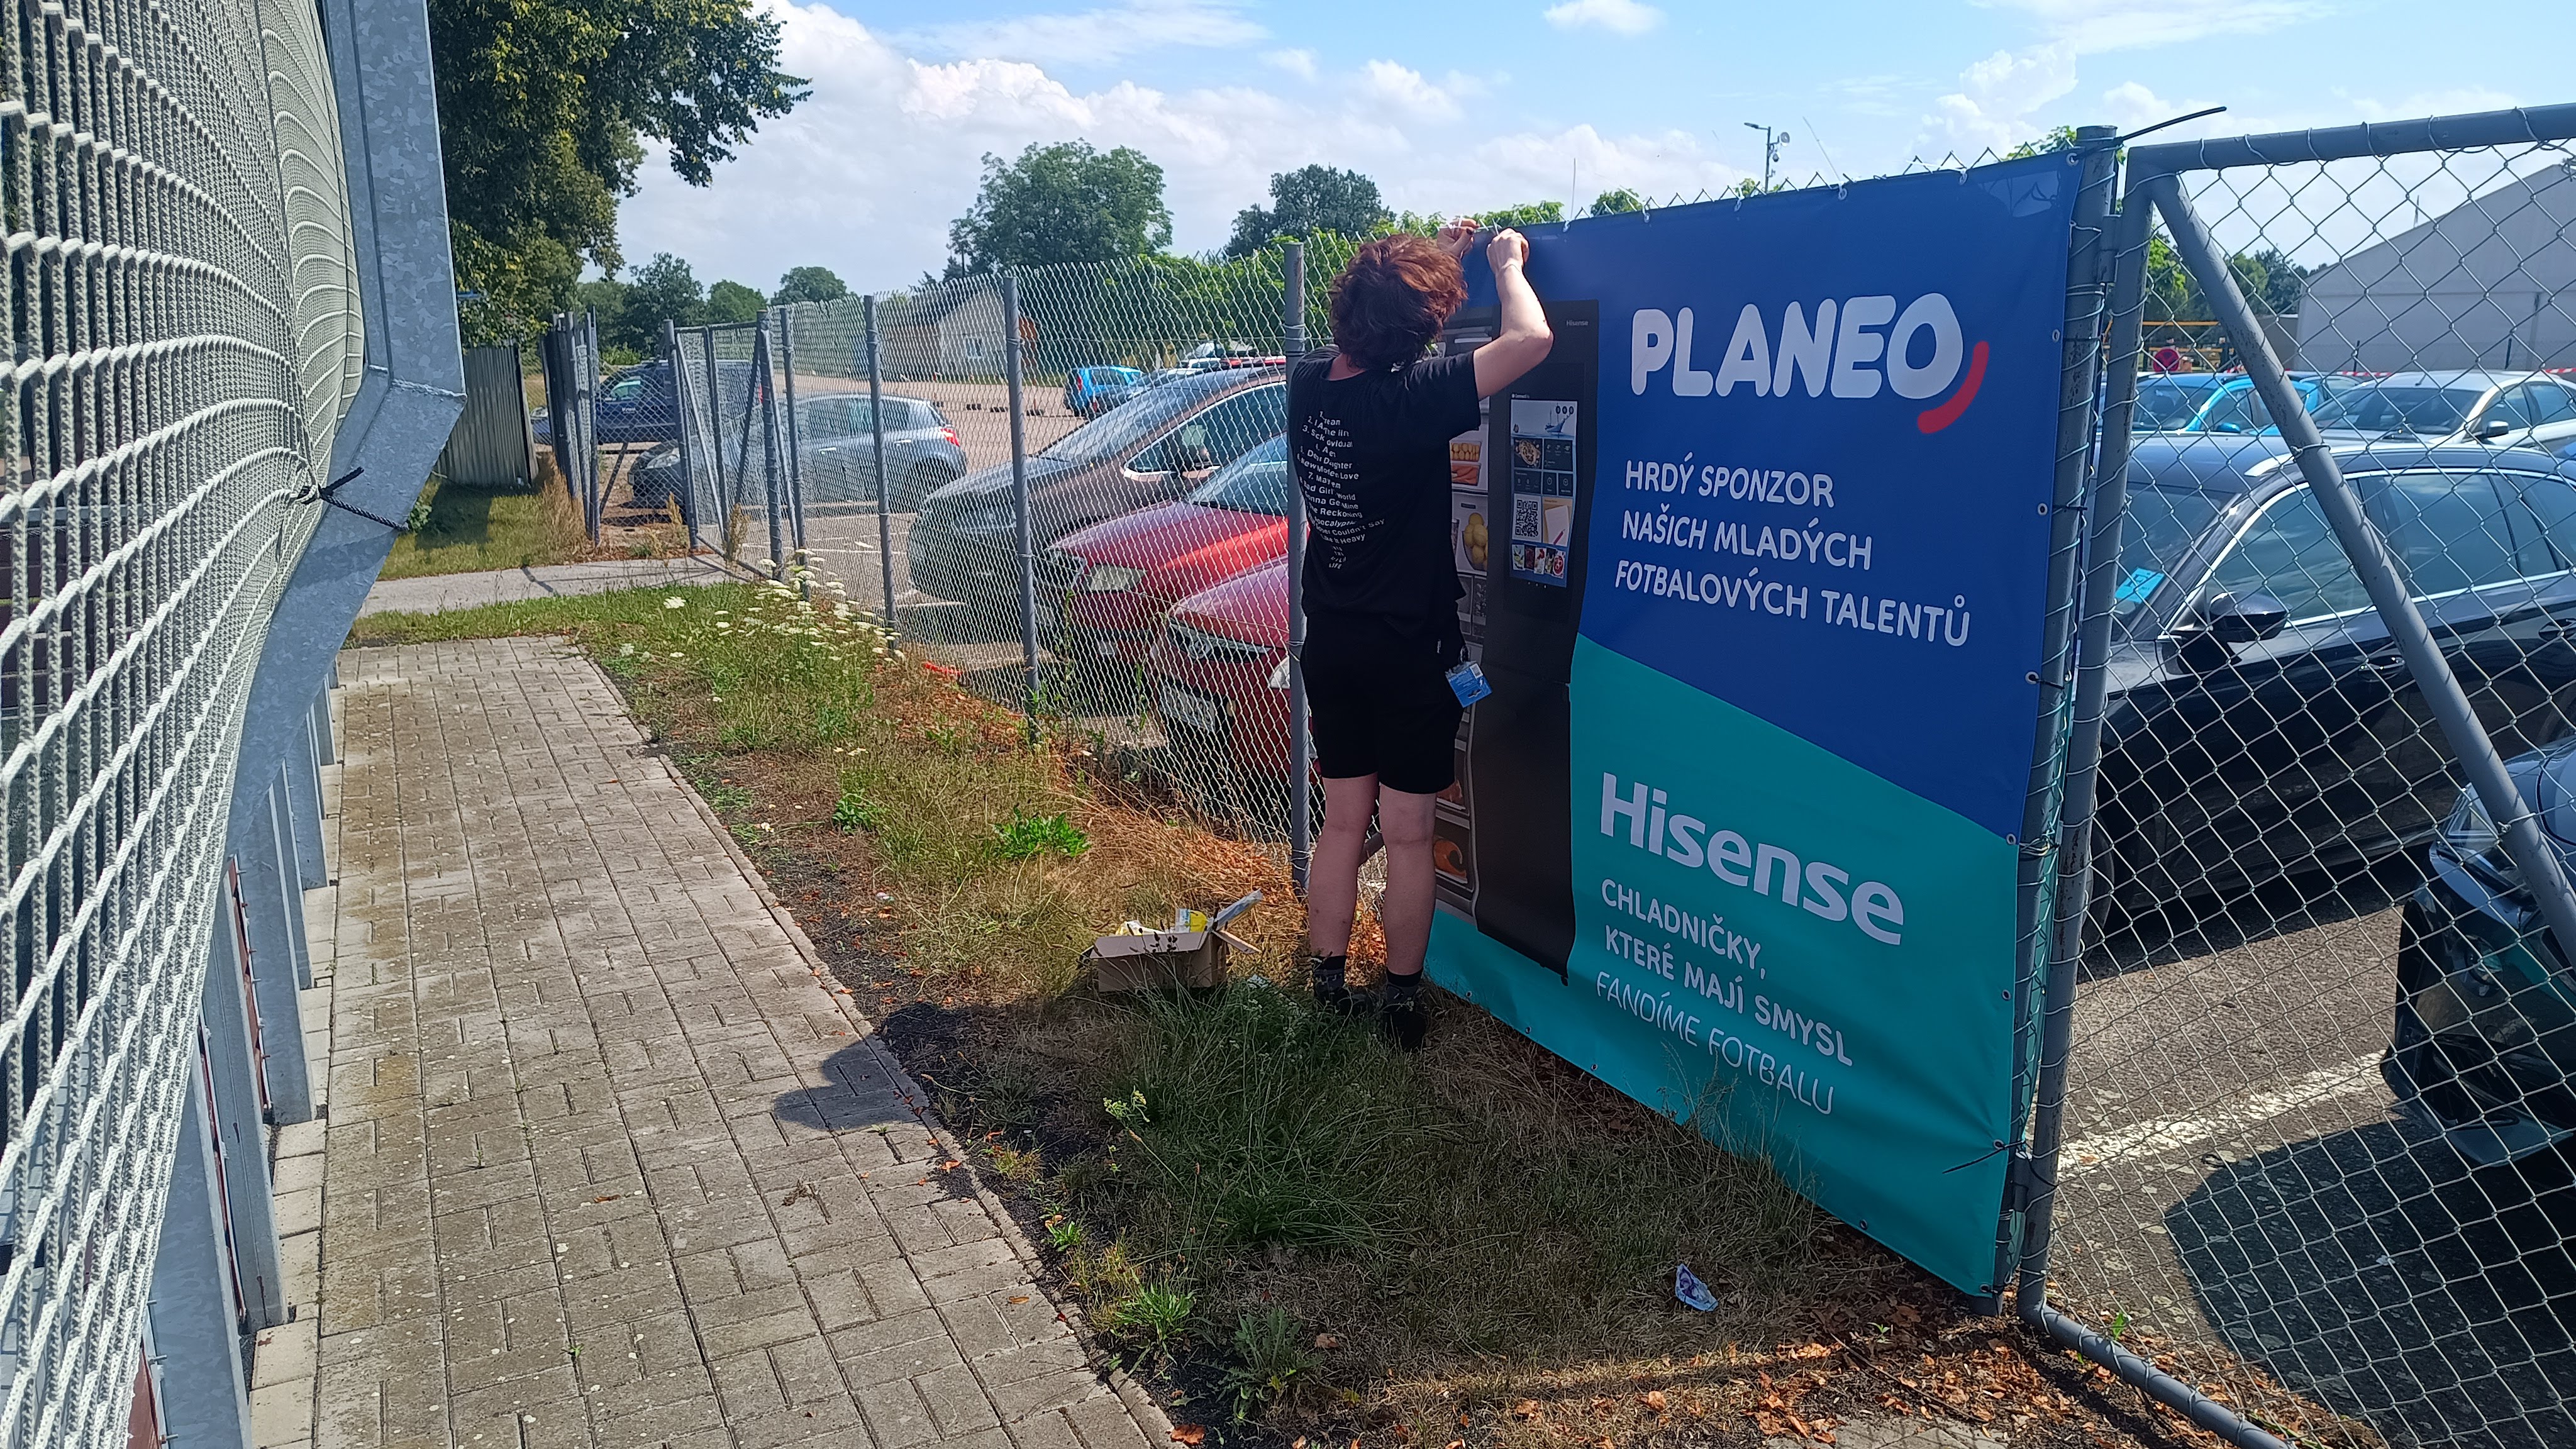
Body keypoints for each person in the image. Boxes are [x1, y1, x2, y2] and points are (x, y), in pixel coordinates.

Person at [1287, 219, 1553, 1050]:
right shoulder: (1412, 398)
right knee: (1406, 834)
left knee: (1341, 826)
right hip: (1410, 653)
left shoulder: (1306, 385)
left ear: (1344, 312)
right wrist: (1505, 265)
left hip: (1332, 643)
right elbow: (1531, 339)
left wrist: (1433, 261)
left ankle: (1327, 987)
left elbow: (1382, 334)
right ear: (1419, 335)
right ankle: (1400, 1002)